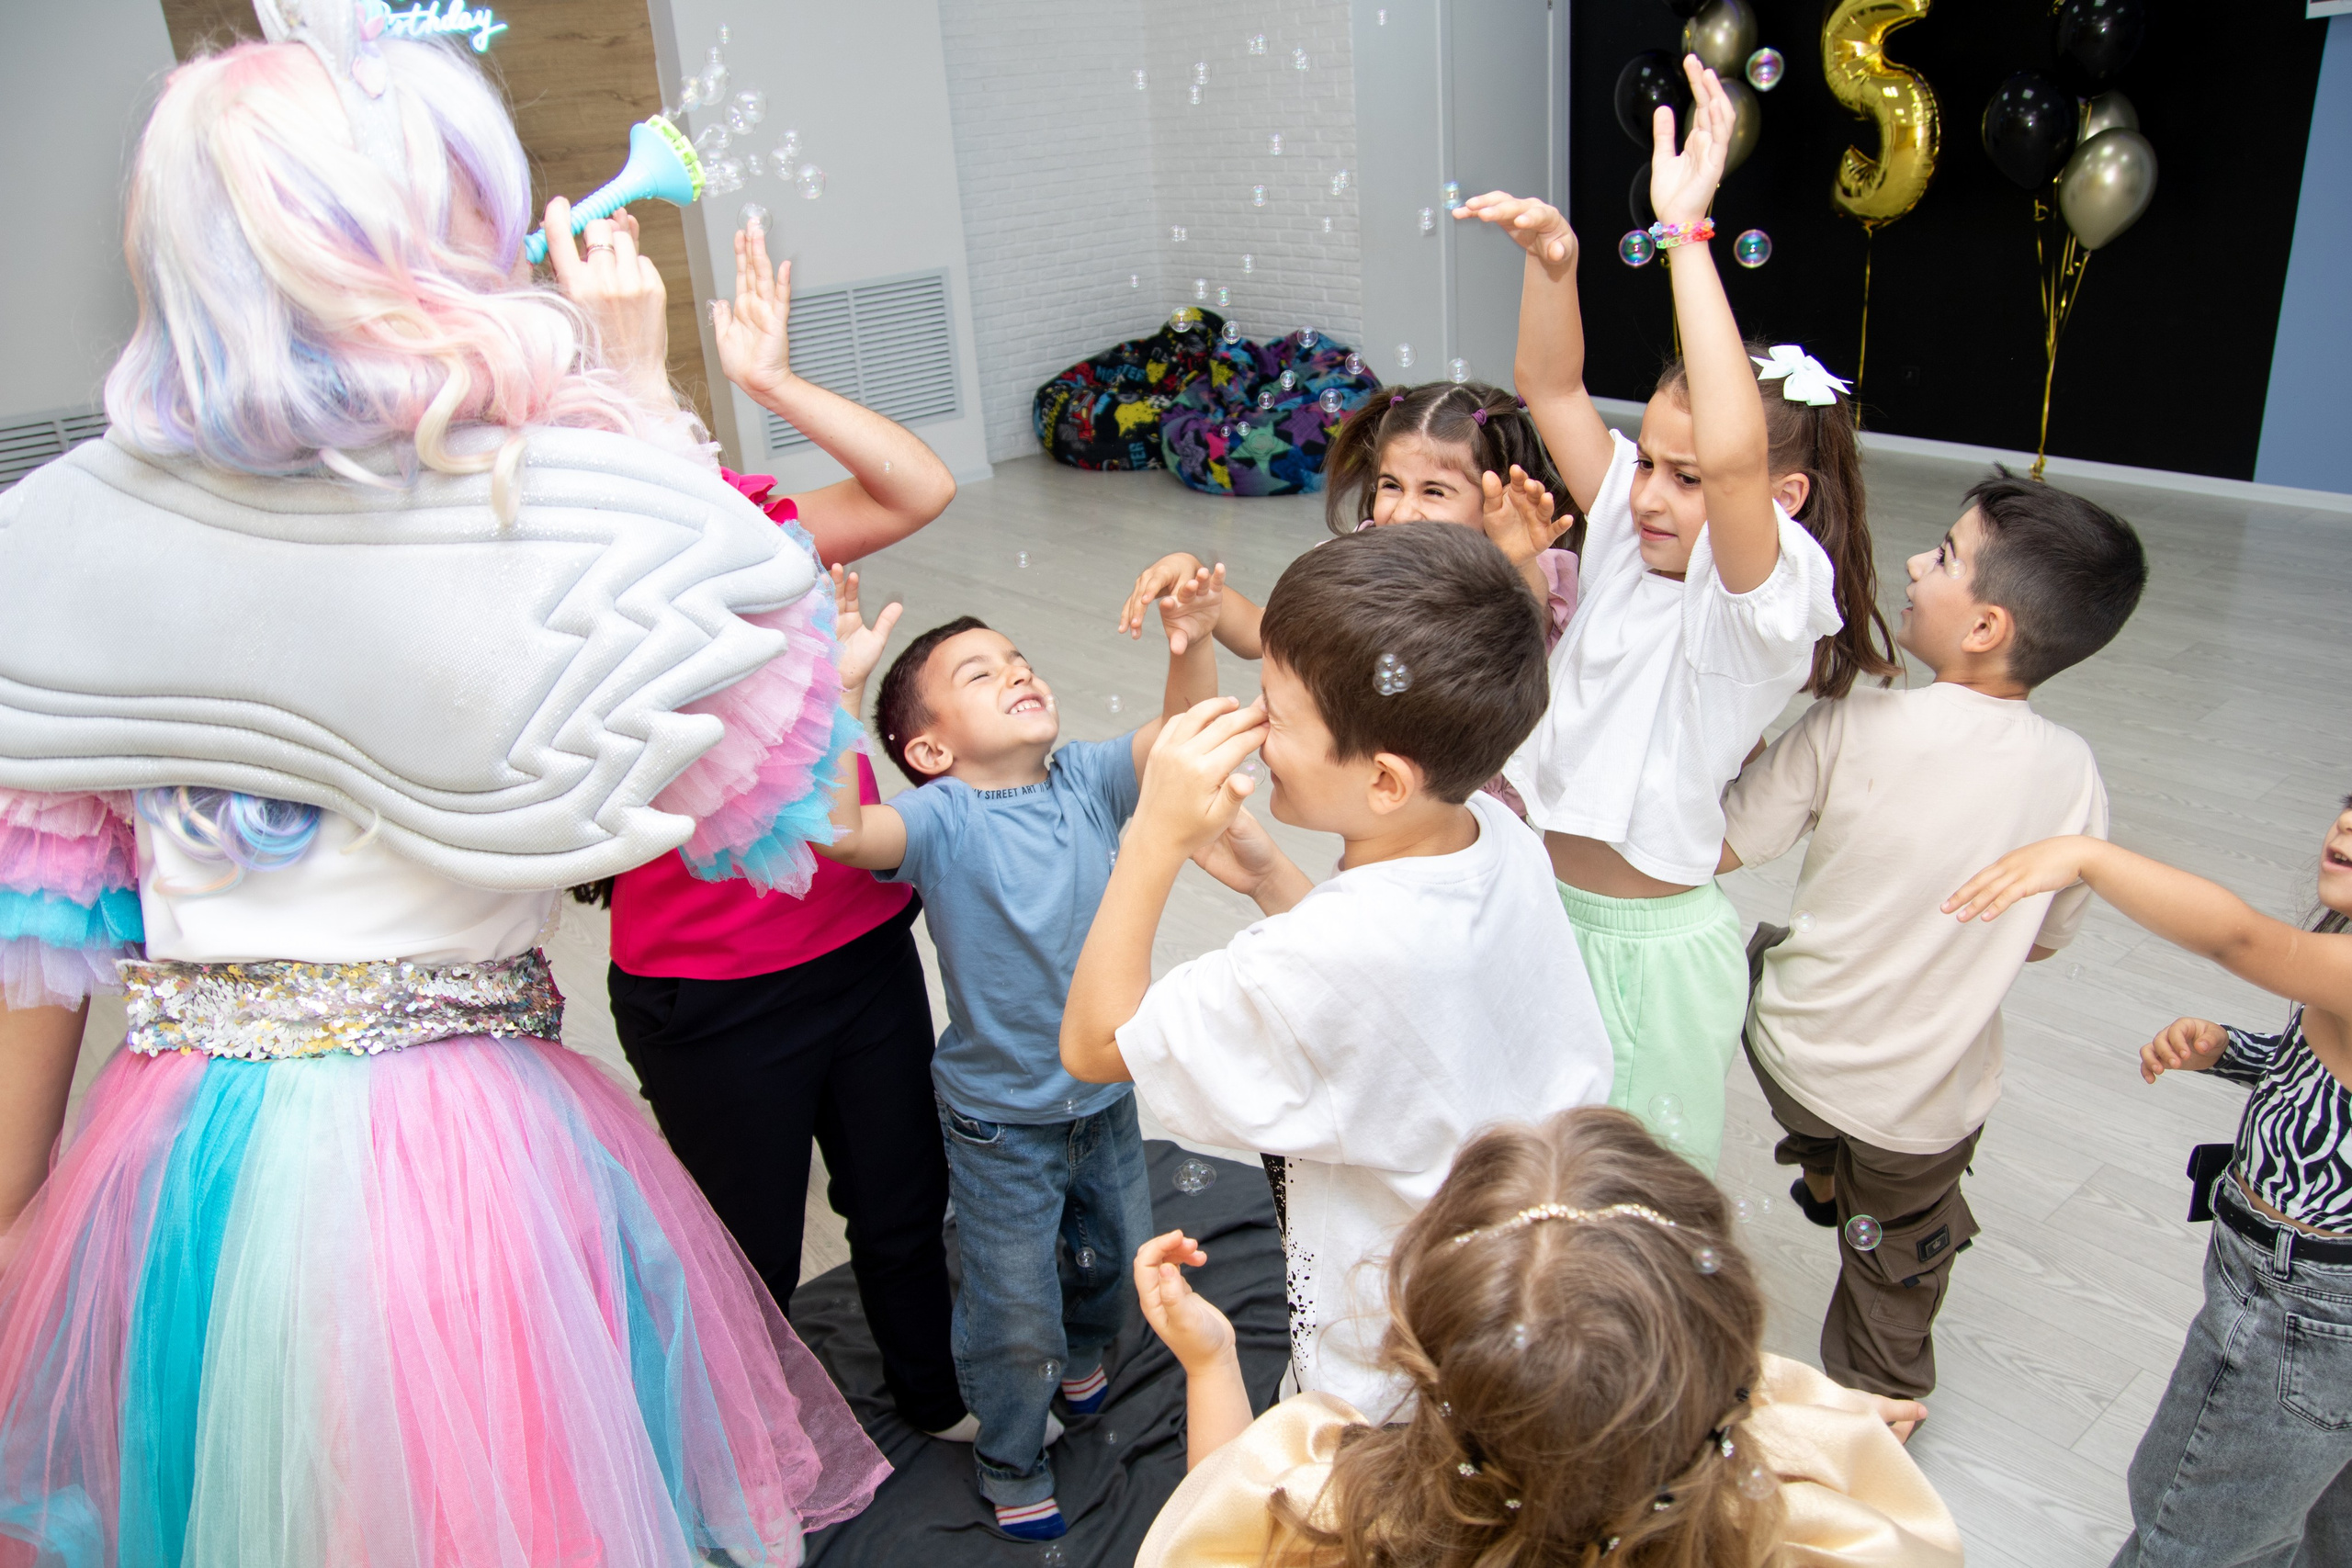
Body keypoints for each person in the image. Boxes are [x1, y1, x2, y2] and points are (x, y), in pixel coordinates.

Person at [0, 19, 884, 1563]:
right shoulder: (565, 515)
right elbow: (770, 804)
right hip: (463, 1165)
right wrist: (636, 396)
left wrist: (21, 1217)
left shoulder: (64, 547)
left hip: (183, 1162)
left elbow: (36, 934)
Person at [1059, 523, 1615, 1421]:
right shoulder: (1499, 833)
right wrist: (1269, 878)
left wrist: (1150, 839)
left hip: (1379, 1376)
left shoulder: (1319, 960)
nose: (1253, 731)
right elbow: (1393, 1007)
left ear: (1385, 781)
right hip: (1509, 1306)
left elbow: (1092, 1045)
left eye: (1275, 717)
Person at [1458, 58, 1899, 1174]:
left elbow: (1737, 458)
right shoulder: (1627, 533)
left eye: (1687, 477)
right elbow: (1552, 388)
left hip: (1648, 954)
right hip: (1534, 906)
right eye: (1647, 461)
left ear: (1777, 500)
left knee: (1630, 1209)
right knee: (1519, 1178)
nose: (1648, 493)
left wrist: (1685, 238)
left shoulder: (1763, 604)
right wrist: (1554, 265)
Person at [598, 212, 970, 1442]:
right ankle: (748, 1452)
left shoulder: (753, 521)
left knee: (902, 1203)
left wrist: (771, 381)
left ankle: (935, 1399)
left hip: (858, 936)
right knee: (744, 1250)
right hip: (709, 986)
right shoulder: (576, 584)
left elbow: (917, 488)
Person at [810, 561, 1222, 1541]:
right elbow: (836, 832)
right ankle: (1009, 1454)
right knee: (1013, 1306)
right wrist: (837, 694)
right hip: (1000, 1122)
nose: (1016, 672)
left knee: (1111, 1262)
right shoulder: (942, 819)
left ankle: (1080, 1358)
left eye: (1018, 658)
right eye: (979, 674)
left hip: (1105, 1094)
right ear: (930, 750)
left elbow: (1182, 743)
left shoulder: (1085, 779)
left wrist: (1193, 640)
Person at [1718, 472, 2146, 1404]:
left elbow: (1721, 843)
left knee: (1755, 957)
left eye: (1945, 556)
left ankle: (1822, 1166)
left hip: (1794, 1055)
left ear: (1985, 626)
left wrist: (1738, 740)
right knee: (1899, 1259)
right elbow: (2044, 941)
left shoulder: (1853, 719)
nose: (1915, 562)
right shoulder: (2074, 773)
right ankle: (1883, 1396)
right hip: (1923, 1108)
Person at [1128, 1108, 1963, 1567]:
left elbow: (1217, 1513)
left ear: (1423, 1360)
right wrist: (1811, 1435)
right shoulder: (1814, 1535)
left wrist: (1212, 1363)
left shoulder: (1336, 1519)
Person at [1947, 799, 2352, 1568]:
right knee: (2319, 1507)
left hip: (2304, 1309)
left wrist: (2089, 855)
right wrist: (2228, 1050)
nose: (2347, 826)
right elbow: (2322, 1076)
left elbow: (2239, 936)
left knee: (2192, 1531)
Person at [1117, 380, 1578, 666]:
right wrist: (1202, 591)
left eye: (1434, 492)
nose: (1403, 512)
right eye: (1391, 485)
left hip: (1474, 781)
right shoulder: (1353, 563)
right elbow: (1263, 632)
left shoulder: (1526, 570)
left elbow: (1527, 641)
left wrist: (1519, 560)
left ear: (1498, 500)